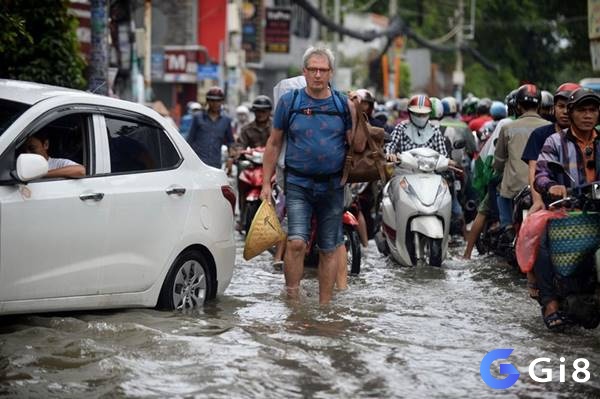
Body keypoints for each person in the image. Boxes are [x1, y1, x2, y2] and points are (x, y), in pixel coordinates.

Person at [260, 46, 362, 305]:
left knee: (329, 248)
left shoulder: (342, 104)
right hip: (298, 184)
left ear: (331, 73)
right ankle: (293, 301)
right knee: (295, 243)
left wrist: (358, 114)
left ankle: (324, 307)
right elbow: (273, 144)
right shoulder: (289, 102)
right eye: (313, 69)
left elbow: (357, 145)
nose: (318, 75)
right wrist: (264, 185)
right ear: (304, 72)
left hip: (332, 185)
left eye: (323, 70)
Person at [533, 88, 600, 329]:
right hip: (566, 208)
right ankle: (550, 302)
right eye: (582, 110)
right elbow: (540, 174)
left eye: (593, 110)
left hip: (597, 209)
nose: (588, 116)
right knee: (539, 240)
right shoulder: (554, 142)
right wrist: (551, 186)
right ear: (570, 113)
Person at [493, 84, 550, 230]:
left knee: (499, 190)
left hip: (514, 187)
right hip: (542, 185)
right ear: (539, 106)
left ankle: (507, 226)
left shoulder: (507, 128)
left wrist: (497, 169)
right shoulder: (550, 126)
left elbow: (498, 160)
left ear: (518, 106)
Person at [384, 94, 449, 162]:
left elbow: (443, 155)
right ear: (410, 113)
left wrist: (445, 161)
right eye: (417, 114)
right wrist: (389, 154)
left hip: (430, 171)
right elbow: (390, 145)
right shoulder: (401, 127)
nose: (420, 117)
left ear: (429, 114)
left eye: (424, 114)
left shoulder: (435, 130)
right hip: (405, 170)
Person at [187, 86, 234, 168]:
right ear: (207, 101)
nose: (215, 103)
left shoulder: (226, 120)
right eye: (212, 100)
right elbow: (190, 140)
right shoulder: (198, 117)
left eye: (218, 101)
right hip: (197, 163)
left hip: (215, 164)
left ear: (222, 102)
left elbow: (230, 142)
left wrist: (230, 159)